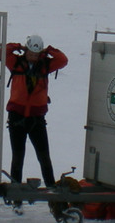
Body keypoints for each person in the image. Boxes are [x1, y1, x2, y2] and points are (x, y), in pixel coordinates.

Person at [5, 34, 68, 188]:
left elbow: (63, 60)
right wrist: (18, 46)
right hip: (17, 118)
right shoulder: (15, 63)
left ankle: (52, 192)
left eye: (36, 54)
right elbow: (3, 51)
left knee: (44, 157)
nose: (33, 57)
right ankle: (16, 196)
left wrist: (49, 50)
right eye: (30, 53)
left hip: (36, 119)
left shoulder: (46, 65)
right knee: (18, 158)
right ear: (26, 51)